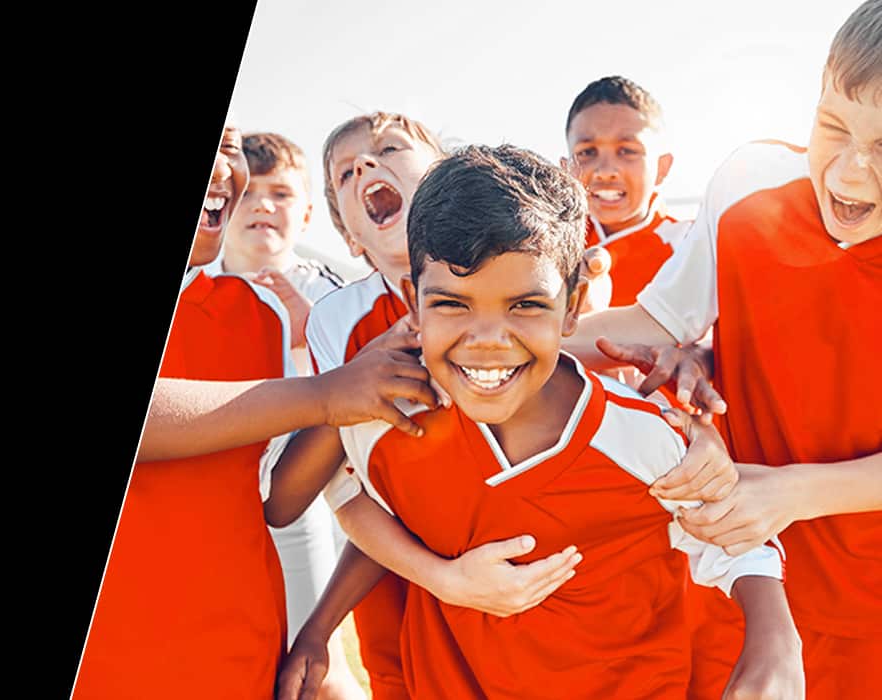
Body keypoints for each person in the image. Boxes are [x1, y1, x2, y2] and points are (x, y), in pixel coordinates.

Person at [275, 144, 802, 700]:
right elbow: (351, 499)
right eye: (453, 304)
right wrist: (422, 588)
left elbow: (738, 541)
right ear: (413, 301)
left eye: (525, 305)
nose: (487, 341)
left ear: (572, 306)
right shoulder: (385, 422)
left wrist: (774, 642)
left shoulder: (641, 435)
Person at [74, 125, 467, 700]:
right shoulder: (331, 329)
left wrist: (355, 390)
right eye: (346, 169)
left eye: (228, 147)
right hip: (109, 659)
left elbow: (276, 500)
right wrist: (334, 392)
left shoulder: (262, 317)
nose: (224, 170)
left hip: (236, 653)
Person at [567, 3, 882, 696]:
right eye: (834, 127)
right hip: (744, 579)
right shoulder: (749, 184)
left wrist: (792, 492)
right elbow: (657, 322)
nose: (851, 176)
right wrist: (509, 334)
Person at [199, 130, 363, 700]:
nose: (263, 205)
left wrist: (305, 337)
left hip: (297, 504)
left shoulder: (329, 292)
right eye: (250, 194)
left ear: (310, 212)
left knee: (314, 667)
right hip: (209, 504)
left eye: (282, 194)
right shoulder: (201, 289)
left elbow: (353, 384)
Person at [563, 76, 690, 309]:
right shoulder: (542, 247)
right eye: (587, 152)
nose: (605, 171)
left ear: (662, 168)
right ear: (566, 169)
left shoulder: (690, 248)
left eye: (627, 151)